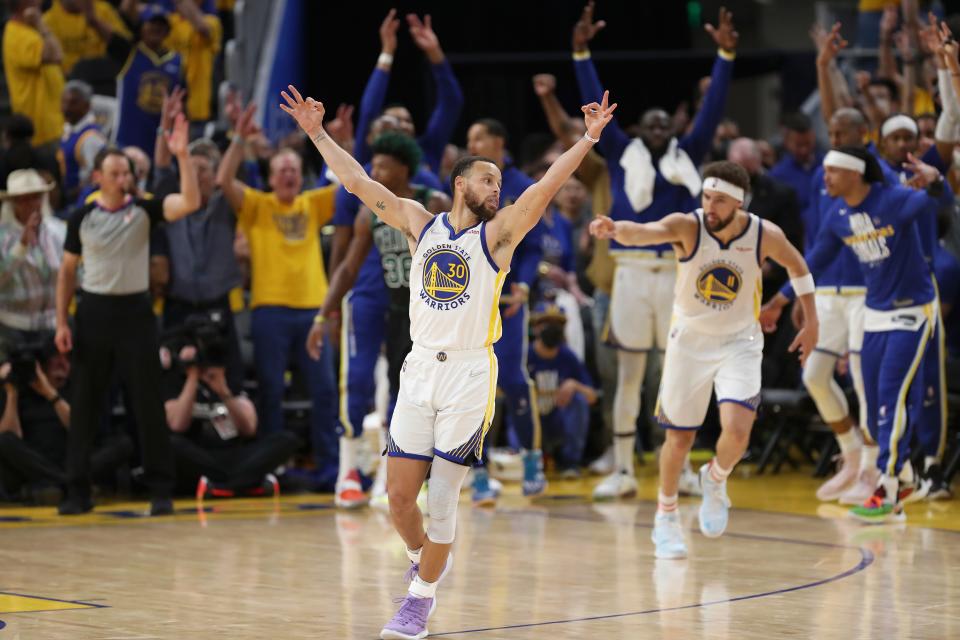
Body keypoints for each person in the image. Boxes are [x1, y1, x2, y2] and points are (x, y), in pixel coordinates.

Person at [280, 81, 616, 639]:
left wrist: (587, 138)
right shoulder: (420, 221)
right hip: (419, 369)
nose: (496, 187)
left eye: (500, 181)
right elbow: (360, 183)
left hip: (468, 372)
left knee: (441, 498)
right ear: (460, 183)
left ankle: (419, 600)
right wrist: (316, 133)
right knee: (398, 498)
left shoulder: (501, 235)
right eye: (487, 179)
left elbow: (546, 187)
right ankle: (428, 558)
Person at [591, 161, 817, 558]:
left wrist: (811, 320)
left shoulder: (764, 234)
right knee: (678, 439)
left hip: (739, 341)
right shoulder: (688, 225)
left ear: (739, 203)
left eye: (720, 201)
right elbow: (647, 233)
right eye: (707, 197)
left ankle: (715, 477)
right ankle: (666, 515)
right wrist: (616, 230)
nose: (710, 206)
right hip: (689, 343)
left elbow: (799, 266)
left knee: (738, 431)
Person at [571, 2, 737, 499]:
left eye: (668, 124)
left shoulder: (690, 153)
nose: (661, 130)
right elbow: (593, 108)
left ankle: (680, 468)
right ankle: (623, 469)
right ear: (639, 130)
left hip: (678, 274)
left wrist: (726, 54)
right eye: (652, 125)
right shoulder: (622, 152)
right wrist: (580, 53)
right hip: (630, 273)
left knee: (678, 374)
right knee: (629, 375)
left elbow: (713, 106)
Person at [761, 146, 942, 523]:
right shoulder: (839, 214)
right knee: (874, 411)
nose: (823, 178)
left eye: (832, 172)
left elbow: (937, 204)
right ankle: (905, 477)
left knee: (889, 399)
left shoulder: (893, 200)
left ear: (854, 174)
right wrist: (779, 299)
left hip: (912, 309)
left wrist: (937, 181)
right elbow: (815, 260)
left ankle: (888, 490)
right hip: (875, 312)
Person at [54, 113, 200, 516]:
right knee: (85, 404)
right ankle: (77, 490)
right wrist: (61, 322)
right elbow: (67, 272)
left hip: (136, 313)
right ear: (98, 176)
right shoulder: (81, 217)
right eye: (115, 172)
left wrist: (183, 155)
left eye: (127, 172)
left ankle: (160, 489)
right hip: (93, 312)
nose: (123, 178)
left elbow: (190, 202)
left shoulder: (145, 210)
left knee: (147, 403)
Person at [310, 132, 450, 508]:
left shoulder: (433, 202)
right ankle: (349, 472)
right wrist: (323, 314)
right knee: (357, 381)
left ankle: (394, 474)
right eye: (373, 164)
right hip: (385, 304)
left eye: (383, 165)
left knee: (408, 394)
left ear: (404, 169)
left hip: (422, 311)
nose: (375, 170)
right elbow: (348, 267)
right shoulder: (368, 210)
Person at [216, 102, 339, 490]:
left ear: (299, 177)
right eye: (280, 170)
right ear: (270, 178)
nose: (288, 174)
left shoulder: (313, 203)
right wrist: (239, 138)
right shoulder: (257, 206)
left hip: (312, 313)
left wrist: (337, 139)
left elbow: (352, 184)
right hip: (269, 311)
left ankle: (331, 469)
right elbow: (223, 181)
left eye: (292, 170)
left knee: (323, 391)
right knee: (271, 391)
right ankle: (270, 470)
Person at [760, 109, 877, 504]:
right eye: (833, 130)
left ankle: (873, 472)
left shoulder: (877, 177)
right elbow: (820, 245)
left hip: (867, 292)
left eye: (844, 131)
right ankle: (852, 455)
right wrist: (793, 297)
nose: (836, 136)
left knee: (864, 381)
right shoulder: (824, 176)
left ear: (864, 133)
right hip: (827, 291)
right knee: (814, 375)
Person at [464, 116, 549, 501]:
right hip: (474, 298)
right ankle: (478, 474)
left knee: (513, 380)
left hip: (510, 298)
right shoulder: (466, 187)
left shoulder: (518, 185)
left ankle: (532, 459)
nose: (471, 144)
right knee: (473, 386)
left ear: (498, 141)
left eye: (478, 137)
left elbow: (533, 249)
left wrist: (525, 287)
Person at [161, 343, 300, 497]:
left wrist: (223, 392)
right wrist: (192, 378)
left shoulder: (232, 383)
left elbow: (248, 429)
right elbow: (177, 425)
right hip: (203, 457)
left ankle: (221, 487)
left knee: (287, 439)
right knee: (171, 444)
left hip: (238, 455)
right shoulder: (177, 385)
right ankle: (246, 484)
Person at [0, 342, 132, 502]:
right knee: (4, 440)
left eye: (67, 359)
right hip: (37, 463)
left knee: (123, 443)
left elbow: (81, 429)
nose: (62, 364)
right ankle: (67, 482)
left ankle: (64, 481)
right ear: (42, 364)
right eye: (55, 359)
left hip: (75, 460)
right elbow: (10, 436)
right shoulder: (22, 390)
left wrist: (50, 394)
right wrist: (12, 392)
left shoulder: (78, 388)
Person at [0, 169, 66, 361]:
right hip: (12, 326)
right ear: (13, 202)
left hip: (52, 326)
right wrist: (21, 246)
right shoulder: (2, 236)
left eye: (36, 197)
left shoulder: (58, 230)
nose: (31, 204)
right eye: (23, 199)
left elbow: (73, 274)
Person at [526, 301, 597, 478]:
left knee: (579, 401)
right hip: (531, 424)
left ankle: (570, 463)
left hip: (557, 423)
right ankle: (525, 461)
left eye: (557, 323)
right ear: (535, 328)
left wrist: (575, 385)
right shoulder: (523, 357)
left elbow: (592, 397)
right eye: (546, 323)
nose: (552, 328)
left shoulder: (568, 357)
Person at [110, 4, 183, 155]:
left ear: (168, 31)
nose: (156, 28)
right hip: (128, 142)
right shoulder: (128, 52)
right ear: (142, 27)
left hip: (163, 144)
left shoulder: (178, 60)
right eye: (152, 23)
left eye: (161, 25)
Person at [2, 0, 66, 147]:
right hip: (42, 131)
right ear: (26, 4)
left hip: (54, 124)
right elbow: (56, 55)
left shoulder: (27, 30)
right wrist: (41, 25)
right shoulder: (18, 36)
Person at [42, 0, 131, 75]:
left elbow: (127, 49)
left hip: (104, 78)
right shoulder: (48, 20)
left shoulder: (102, 9)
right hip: (69, 82)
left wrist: (94, 21)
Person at [59, 80, 107, 203]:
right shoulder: (70, 130)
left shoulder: (91, 138)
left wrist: (72, 194)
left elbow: (96, 177)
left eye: (73, 103)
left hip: (83, 201)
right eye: (64, 102)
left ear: (86, 106)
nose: (66, 108)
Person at [768, 113, 823, 215]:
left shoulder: (828, 167)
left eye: (807, 143)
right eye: (798, 145)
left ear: (813, 137)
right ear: (786, 142)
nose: (804, 150)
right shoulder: (776, 176)